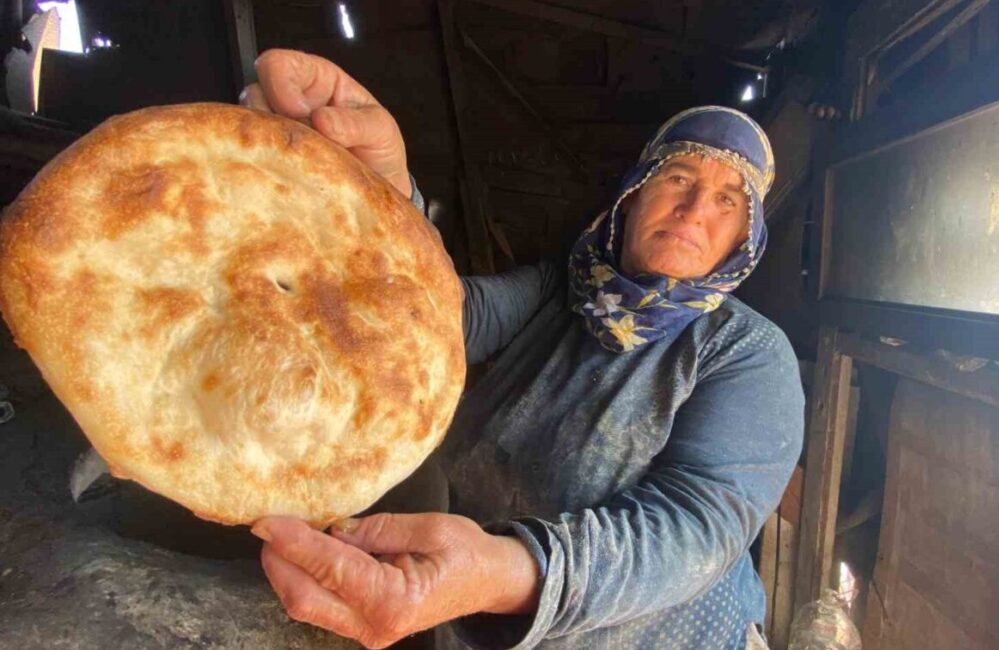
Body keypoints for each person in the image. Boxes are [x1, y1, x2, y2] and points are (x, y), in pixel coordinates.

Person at [242, 49, 804, 650]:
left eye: (727, 201)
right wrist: (387, 191)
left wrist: (504, 572)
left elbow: (689, 531)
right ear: (633, 195)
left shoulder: (747, 354)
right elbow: (428, 316)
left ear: (746, 238)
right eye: (678, 179)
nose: (695, 211)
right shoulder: (555, 291)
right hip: (481, 618)